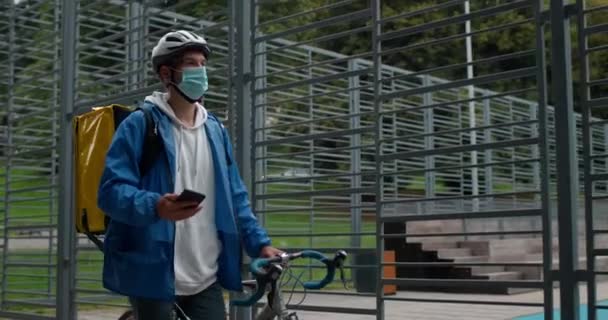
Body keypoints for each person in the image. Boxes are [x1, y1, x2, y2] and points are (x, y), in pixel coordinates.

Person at [97, 30, 282, 320]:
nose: (200, 71)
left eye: (202, 63)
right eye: (190, 63)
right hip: (154, 272)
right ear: (166, 74)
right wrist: (157, 205)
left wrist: (260, 243)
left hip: (205, 274)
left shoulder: (216, 130)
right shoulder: (140, 124)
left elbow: (235, 196)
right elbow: (110, 191)